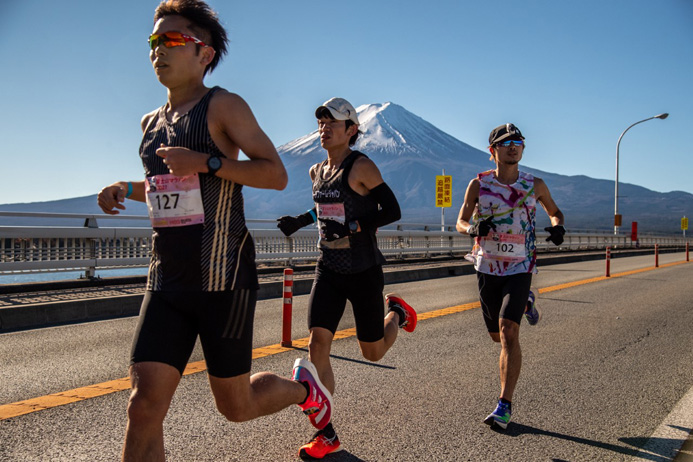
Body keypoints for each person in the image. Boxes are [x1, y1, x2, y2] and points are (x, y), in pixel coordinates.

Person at [96, 2, 332, 460]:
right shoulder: (150, 124)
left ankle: (305, 391)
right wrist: (123, 187)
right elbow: (168, 185)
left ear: (203, 54)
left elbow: (275, 174)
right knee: (143, 407)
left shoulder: (223, 105)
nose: (158, 49)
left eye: (173, 39)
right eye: (154, 40)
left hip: (222, 279)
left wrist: (208, 161)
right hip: (166, 279)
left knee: (236, 405)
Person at [276, 97, 418, 459]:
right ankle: (327, 433)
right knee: (316, 344)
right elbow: (324, 207)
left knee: (372, 352)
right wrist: (301, 220)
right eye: (321, 122)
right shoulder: (316, 171)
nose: (324, 127)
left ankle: (397, 315)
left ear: (351, 130)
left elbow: (392, 209)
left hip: (363, 271)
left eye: (332, 123)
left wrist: (354, 226)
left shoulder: (362, 167)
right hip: (329, 268)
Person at [455, 123, 565, 430]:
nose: (513, 146)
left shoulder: (535, 185)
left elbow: (556, 212)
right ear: (493, 152)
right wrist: (473, 229)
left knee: (508, 332)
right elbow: (461, 221)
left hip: (521, 265)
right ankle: (527, 303)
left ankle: (504, 404)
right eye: (505, 143)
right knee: (495, 335)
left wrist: (557, 227)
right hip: (487, 266)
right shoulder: (478, 185)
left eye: (518, 141)